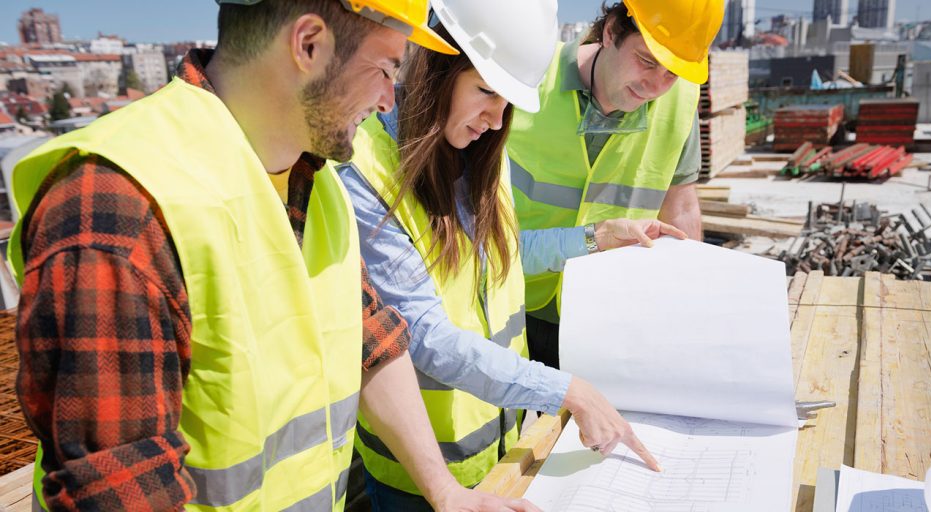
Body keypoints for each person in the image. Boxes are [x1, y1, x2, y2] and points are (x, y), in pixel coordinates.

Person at [8, 0, 538, 510]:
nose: (388, 101)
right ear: (308, 44)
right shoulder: (117, 207)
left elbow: (372, 342)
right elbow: (119, 488)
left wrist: (446, 494)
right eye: (383, 69)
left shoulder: (315, 182)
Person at [339, 1, 685, 509]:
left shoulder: (477, 150)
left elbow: (501, 258)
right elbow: (422, 335)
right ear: (439, 68)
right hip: (420, 475)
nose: (495, 119)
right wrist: (569, 392)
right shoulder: (365, 171)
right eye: (484, 92)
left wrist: (596, 237)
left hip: (502, 451)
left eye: (507, 103)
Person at [505, 0, 725, 369]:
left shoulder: (680, 102)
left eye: (672, 72)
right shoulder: (532, 78)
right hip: (512, 295)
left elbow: (682, 206)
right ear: (611, 32)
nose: (655, 85)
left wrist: (689, 302)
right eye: (647, 61)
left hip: (604, 312)